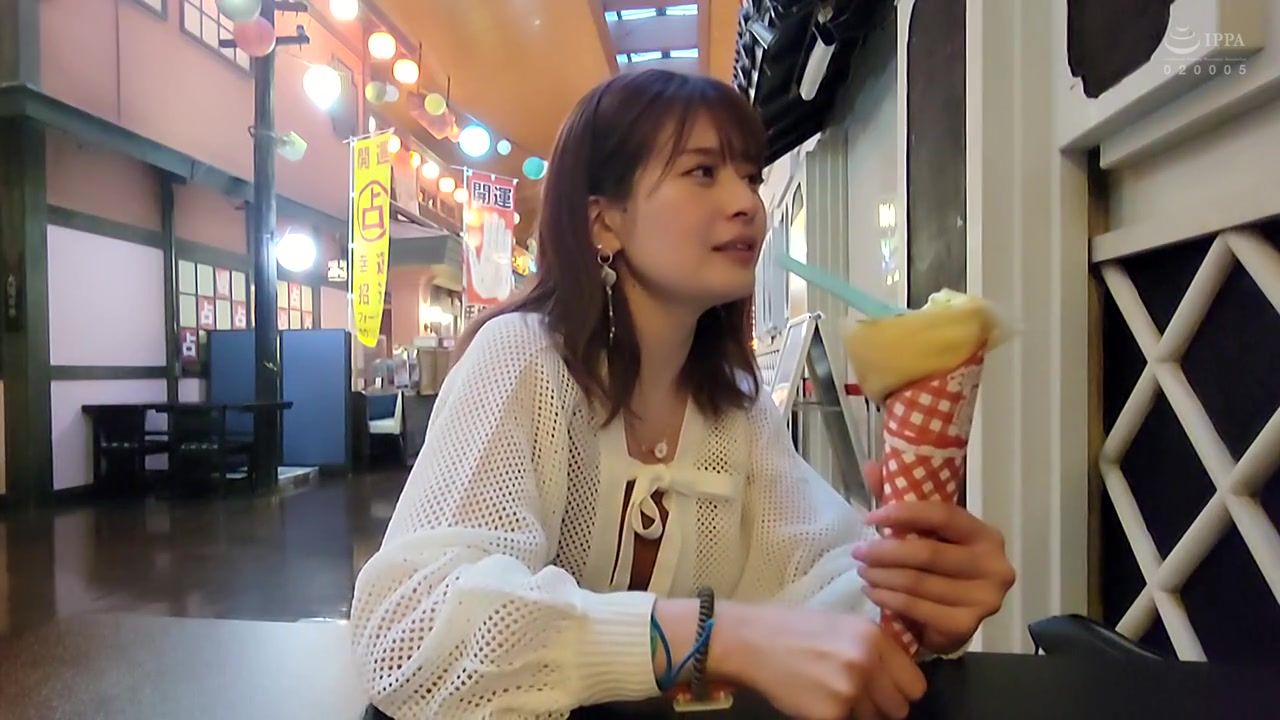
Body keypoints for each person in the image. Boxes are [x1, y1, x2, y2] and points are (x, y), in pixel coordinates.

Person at [350, 69, 1015, 720]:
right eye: (703, 172)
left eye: (751, 177)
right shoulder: (523, 357)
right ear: (604, 223)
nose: (746, 202)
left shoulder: (735, 407)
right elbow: (409, 630)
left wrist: (919, 601)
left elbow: (819, 584)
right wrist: (713, 637)